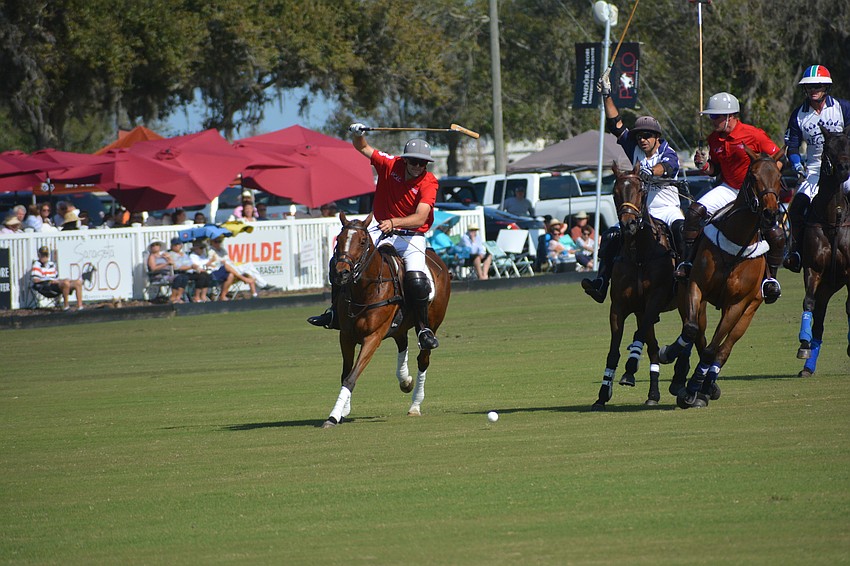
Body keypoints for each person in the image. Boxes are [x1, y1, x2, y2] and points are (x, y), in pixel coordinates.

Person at [308, 123, 441, 350]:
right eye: (414, 161)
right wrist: (357, 134)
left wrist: (395, 222)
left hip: (411, 237)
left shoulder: (429, 182)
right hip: (381, 229)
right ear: (405, 159)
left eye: (423, 163)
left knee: (417, 280)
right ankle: (334, 313)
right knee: (341, 262)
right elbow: (363, 147)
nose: (418, 167)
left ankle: (423, 328)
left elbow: (420, 218)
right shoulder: (390, 165)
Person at [582, 72, 685, 302]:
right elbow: (615, 124)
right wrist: (606, 95)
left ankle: (685, 272)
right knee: (611, 235)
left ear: (657, 137)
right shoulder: (635, 148)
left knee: (681, 230)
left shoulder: (667, 152)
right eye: (639, 136)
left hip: (666, 209)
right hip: (641, 211)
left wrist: (650, 171)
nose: (642, 140)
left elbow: (666, 168)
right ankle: (601, 281)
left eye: (647, 136)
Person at [676, 91, 784, 304]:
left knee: (774, 233)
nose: (712, 120)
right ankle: (688, 263)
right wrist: (704, 165)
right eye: (711, 117)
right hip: (728, 189)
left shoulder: (753, 134)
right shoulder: (714, 138)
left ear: (730, 116)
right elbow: (715, 170)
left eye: (716, 116)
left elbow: (777, 157)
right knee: (693, 212)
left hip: (754, 192)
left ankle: (770, 280)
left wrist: (769, 183)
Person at [783, 64, 850, 272]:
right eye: (810, 86)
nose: (814, 89)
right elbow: (792, 146)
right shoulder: (799, 115)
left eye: (818, 85)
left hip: (844, 168)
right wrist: (796, 164)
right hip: (814, 170)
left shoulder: (842, 107)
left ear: (826, 87)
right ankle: (795, 252)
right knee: (798, 206)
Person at [31, 245, 83, 310]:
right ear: (39, 255)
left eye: (46, 255)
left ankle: (80, 306)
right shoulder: (37, 265)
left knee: (78, 282)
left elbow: (56, 278)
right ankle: (66, 306)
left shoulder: (51, 264)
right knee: (65, 283)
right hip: (46, 286)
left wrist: (60, 280)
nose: (45, 257)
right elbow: (35, 280)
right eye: (43, 255)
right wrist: (48, 280)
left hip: (55, 283)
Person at [166, 238, 191, 303]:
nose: (177, 246)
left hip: (187, 271)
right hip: (175, 272)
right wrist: (187, 267)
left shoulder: (185, 254)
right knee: (179, 278)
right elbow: (175, 266)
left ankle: (178, 297)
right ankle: (173, 296)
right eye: (175, 245)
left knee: (185, 278)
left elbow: (190, 263)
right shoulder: (170, 254)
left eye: (179, 244)